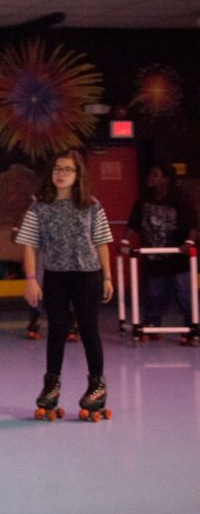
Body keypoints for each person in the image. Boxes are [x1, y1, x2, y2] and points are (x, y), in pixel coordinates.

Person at [14, 150, 114, 421]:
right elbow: (29, 245)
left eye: (68, 169)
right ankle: (51, 386)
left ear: (78, 174)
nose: (61, 174)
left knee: (89, 330)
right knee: (57, 330)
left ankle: (97, 387)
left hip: (88, 275)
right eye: (57, 168)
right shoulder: (40, 206)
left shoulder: (91, 205)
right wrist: (32, 280)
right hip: (56, 277)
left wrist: (107, 277)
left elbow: (102, 242)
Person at [125, 161, 199, 339]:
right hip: (155, 256)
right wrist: (124, 241)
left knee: (184, 292)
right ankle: (152, 325)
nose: (150, 178)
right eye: (150, 174)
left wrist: (189, 242)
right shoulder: (144, 199)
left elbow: (193, 224)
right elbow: (133, 223)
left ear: (166, 179)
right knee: (155, 292)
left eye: (155, 175)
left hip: (178, 256)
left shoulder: (180, 197)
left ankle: (191, 326)